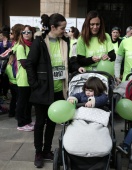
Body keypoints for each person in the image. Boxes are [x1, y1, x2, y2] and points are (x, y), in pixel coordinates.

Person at [25, 13, 74, 168]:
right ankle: (38, 151)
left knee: (53, 121)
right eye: (62, 28)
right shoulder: (39, 42)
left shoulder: (64, 40)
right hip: (42, 89)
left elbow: (67, 63)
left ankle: (47, 150)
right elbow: (30, 64)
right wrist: (35, 85)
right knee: (40, 122)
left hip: (59, 90)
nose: (65, 31)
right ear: (52, 27)